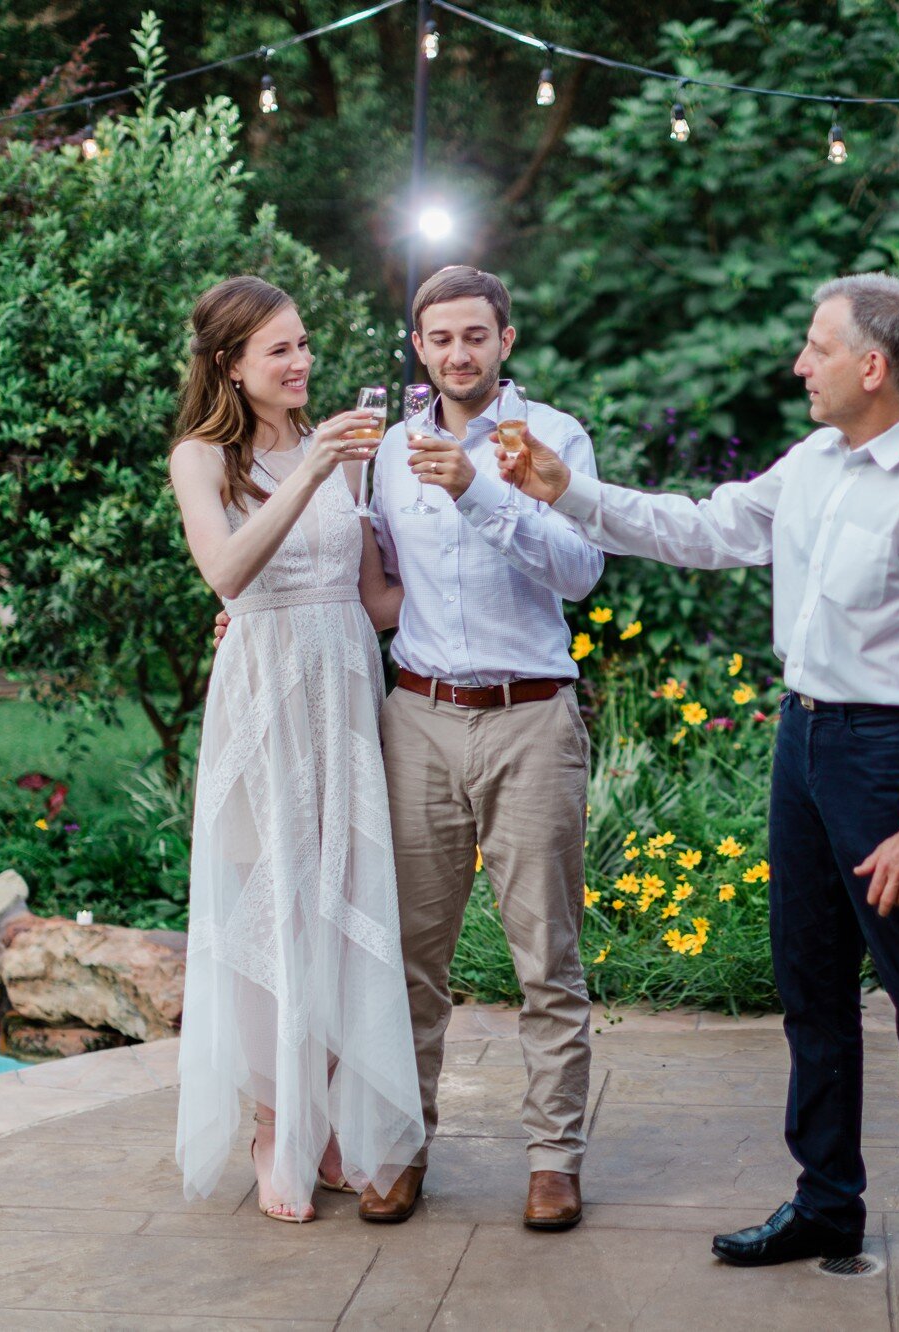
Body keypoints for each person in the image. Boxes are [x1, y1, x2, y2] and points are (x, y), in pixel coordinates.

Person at [500, 272, 899, 1318]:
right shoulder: (815, 463)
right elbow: (704, 529)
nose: (796, 367)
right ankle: (825, 1199)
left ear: (871, 366)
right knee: (808, 988)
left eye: (814, 349)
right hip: (804, 740)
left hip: (889, 753)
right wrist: (569, 494)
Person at [168, 275, 423, 1224]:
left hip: (344, 688)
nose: (303, 361)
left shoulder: (342, 456)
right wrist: (313, 471)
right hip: (262, 695)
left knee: (339, 896)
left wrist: (498, 583)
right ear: (232, 365)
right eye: (280, 349)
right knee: (264, 902)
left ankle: (322, 1115)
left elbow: (374, 598)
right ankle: (275, 1122)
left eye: (305, 344)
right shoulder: (203, 459)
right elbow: (228, 575)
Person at [364, 265, 605, 1231]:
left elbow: (582, 570)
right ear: (418, 347)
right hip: (417, 717)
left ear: (505, 340)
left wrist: (479, 493)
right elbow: (375, 581)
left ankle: (553, 1158)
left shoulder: (551, 439)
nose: (457, 353)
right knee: (407, 955)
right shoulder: (388, 449)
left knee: (546, 955)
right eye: (439, 338)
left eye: (475, 335)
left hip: (530, 717)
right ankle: (401, 1143)